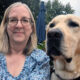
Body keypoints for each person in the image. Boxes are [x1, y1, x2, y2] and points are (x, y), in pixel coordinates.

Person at [0, 2, 50, 80]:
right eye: (13, 20)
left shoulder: (41, 59)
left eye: (25, 20)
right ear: (5, 26)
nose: (19, 25)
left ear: (32, 28)